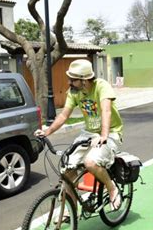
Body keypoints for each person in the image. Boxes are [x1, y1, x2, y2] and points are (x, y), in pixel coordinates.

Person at [35, 59, 124, 210]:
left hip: (110, 133)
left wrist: (104, 135)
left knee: (90, 162)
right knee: (67, 166)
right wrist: (46, 132)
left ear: (84, 80)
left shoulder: (101, 87)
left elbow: (106, 111)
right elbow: (63, 116)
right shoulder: (74, 92)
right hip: (88, 134)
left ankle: (111, 187)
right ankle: (72, 210)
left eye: (73, 80)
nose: (69, 82)